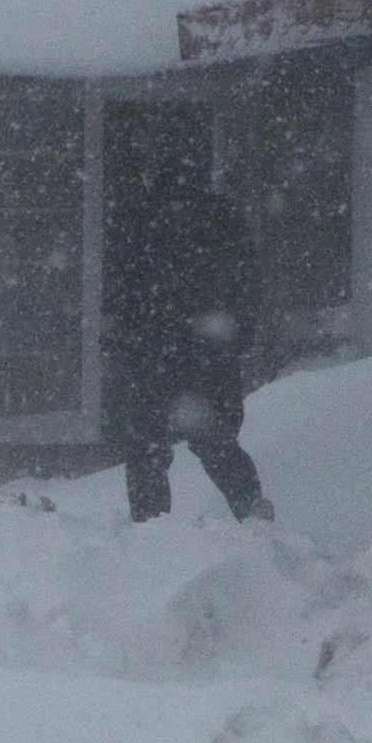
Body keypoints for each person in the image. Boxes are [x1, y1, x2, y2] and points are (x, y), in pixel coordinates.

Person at [101, 167, 273, 524]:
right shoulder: (223, 216)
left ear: (152, 176)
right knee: (216, 440)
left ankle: (151, 528)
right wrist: (236, 337)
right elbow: (247, 283)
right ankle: (252, 513)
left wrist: (120, 343)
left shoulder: (139, 219)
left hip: (154, 350)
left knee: (147, 445)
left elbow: (121, 290)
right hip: (211, 350)